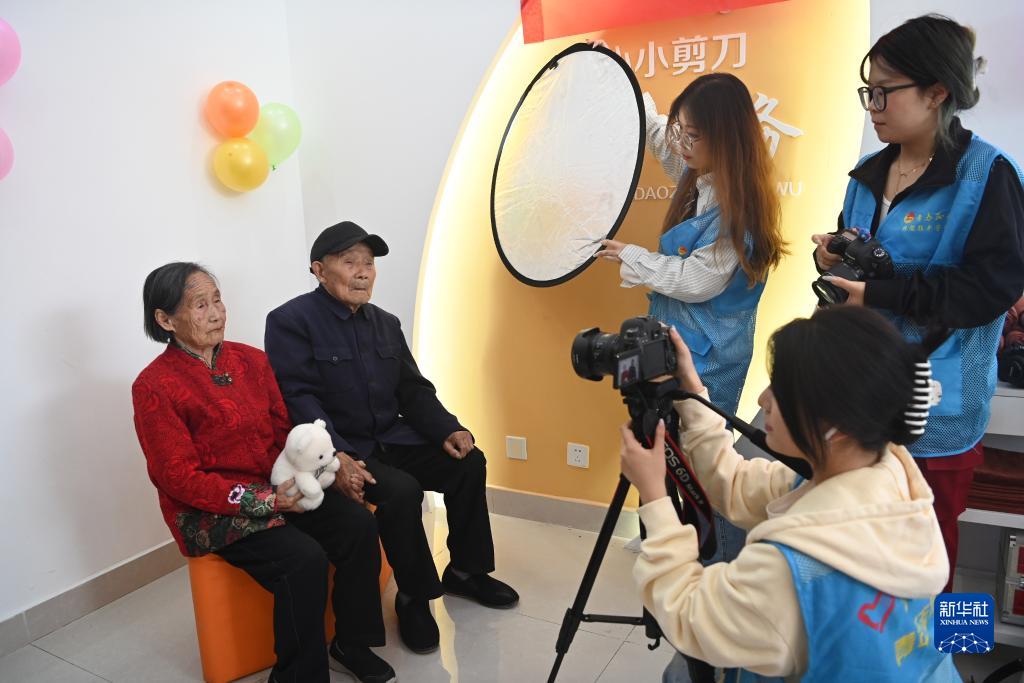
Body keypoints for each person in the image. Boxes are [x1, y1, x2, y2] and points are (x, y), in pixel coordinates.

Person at [621, 306, 958, 682]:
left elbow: (689, 616)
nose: (763, 400)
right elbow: (736, 485)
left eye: (781, 390)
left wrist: (655, 498)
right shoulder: (887, 475)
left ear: (836, 423)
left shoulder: (792, 571)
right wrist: (691, 393)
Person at [812, 14, 1024, 591]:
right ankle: (876, 640)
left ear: (937, 93)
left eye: (885, 91)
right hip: (861, 393)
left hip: (938, 404)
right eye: (868, 92)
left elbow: (989, 290)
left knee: (932, 555)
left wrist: (881, 291)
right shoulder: (867, 175)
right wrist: (831, 258)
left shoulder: (987, 175)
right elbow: (857, 254)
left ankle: (954, 645)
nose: (872, 106)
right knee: (861, 550)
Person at [131, 262, 395, 683]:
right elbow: (177, 478)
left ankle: (352, 643)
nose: (216, 313)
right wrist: (267, 501)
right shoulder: (154, 386)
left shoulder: (252, 360)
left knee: (357, 525)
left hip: (276, 482)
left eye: (217, 300)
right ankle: (297, 677)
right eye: (200, 305)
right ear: (165, 320)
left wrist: (314, 472)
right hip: (211, 510)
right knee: (302, 560)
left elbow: (280, 431)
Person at [264, 221, 519, 656]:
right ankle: (414, 597)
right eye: (350, 262)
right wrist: (335, 456)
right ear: (319, 270)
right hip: (347, 447)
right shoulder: (290, 321)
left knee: (469, 462)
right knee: (402, 491)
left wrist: (448, 427)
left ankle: (466, 571)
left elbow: (412, 390)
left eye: (368, 263)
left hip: (393, 437)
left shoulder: (385, 323)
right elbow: (296, 397)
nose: (363, 272)